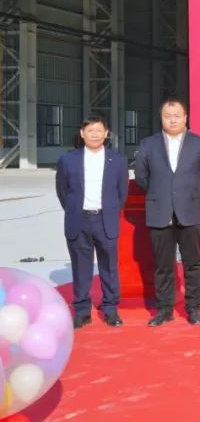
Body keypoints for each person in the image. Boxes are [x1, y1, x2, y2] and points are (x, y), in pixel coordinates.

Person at [134, 98, 200, 327]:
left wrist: (191, 194)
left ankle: (194, 308)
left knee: (193, 263)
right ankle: (164, 309)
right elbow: (141, 177)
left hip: (190, 211)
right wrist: (161, 194)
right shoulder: (148, 144)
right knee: (163, 264)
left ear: (185, 117)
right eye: (167, 116)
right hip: (160, 211)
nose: (172, 120)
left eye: (177, 116)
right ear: (161, 118)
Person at [55, 115, 129, 329]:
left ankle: (110, 308)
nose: (94, 135)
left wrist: (110, 211)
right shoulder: (68, 160)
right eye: (90, 131)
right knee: (81, 267)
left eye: (99, 130)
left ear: (106, 134)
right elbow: (62, 191)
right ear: (82, 134)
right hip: (79, 220)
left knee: (109, 266)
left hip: (105, 219)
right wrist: (75, 210)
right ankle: (81, 310)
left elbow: (121, 193)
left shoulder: (118, 160)